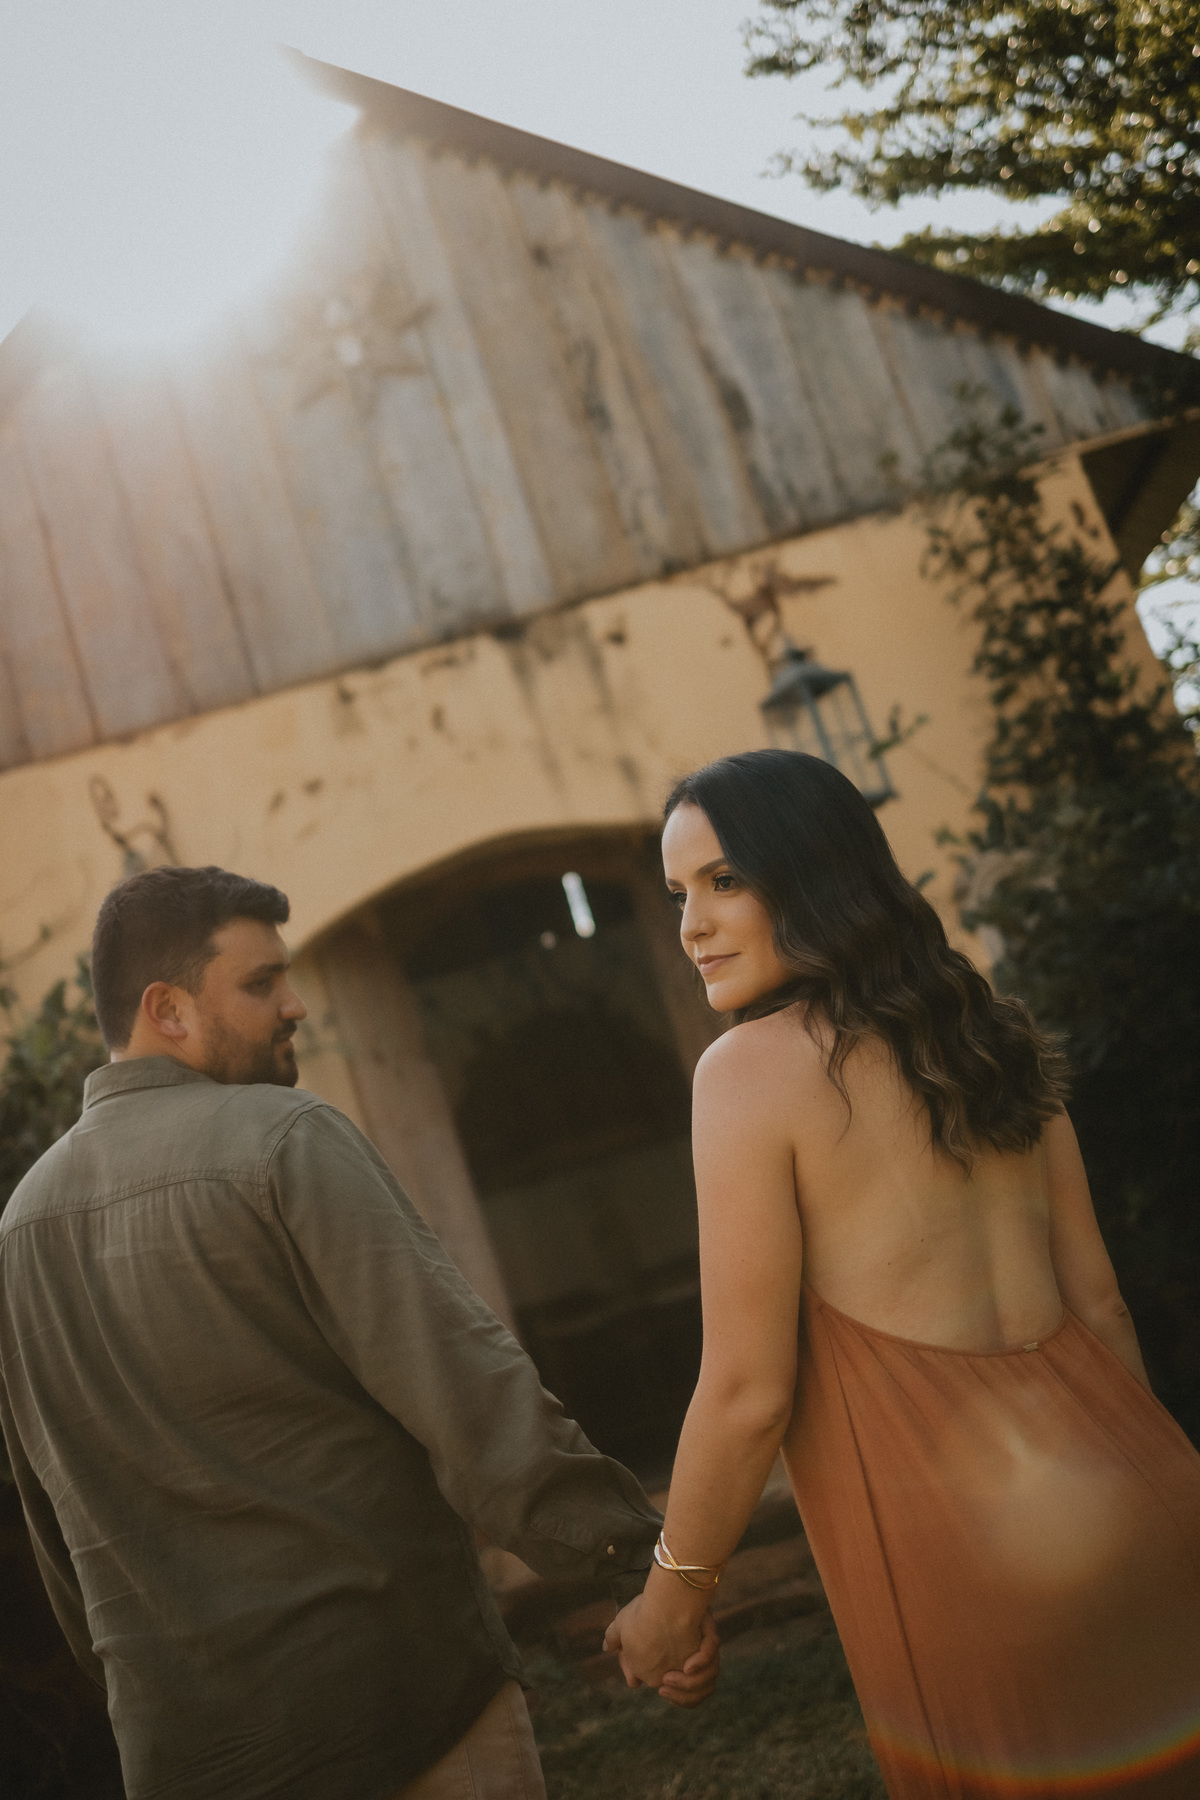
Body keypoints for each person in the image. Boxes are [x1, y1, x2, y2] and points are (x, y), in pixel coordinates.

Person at [0, 865, 717, 1800]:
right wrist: (634, 1568)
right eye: (261, 983)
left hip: (188, 1755)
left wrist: (144, 1703)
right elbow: (466, 1395)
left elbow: (59, 1530)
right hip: (397, 1711)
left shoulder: (19, 1228)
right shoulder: (282, 1137)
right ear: (166, 1009)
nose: (295, 1005)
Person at [605, 749, 1200, 1799]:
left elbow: (747, 1393)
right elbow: (1101, 1306)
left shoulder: (746, 1076)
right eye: (677, 893)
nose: (692, 925)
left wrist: (671, 1602)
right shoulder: (993, 1036)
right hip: (1148, 1503)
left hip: (972, 1575)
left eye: (725, 880)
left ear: (815, 874)